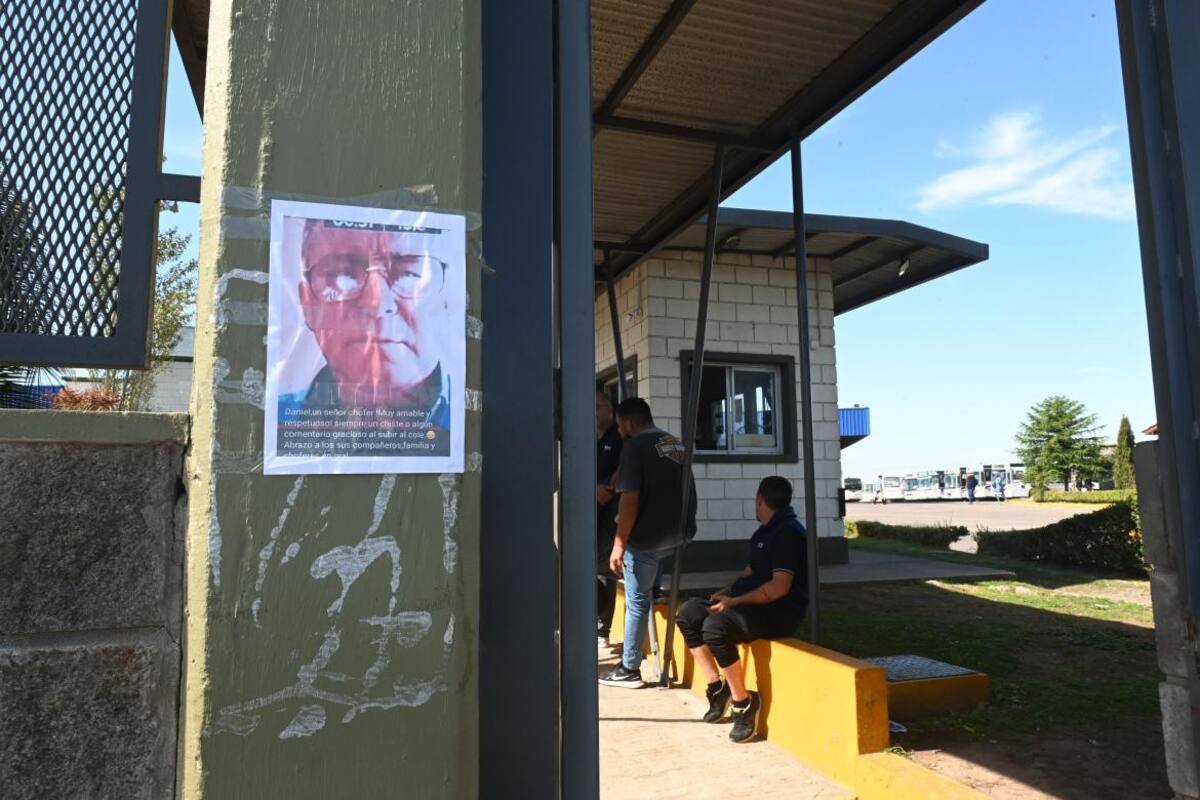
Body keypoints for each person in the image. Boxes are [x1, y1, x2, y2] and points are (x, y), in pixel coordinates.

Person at [278, 219, 452, 456]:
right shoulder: (276, 425)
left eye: (409, 274)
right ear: (307, 305)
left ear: (446, 300)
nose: (377, 304)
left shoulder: (470, 423)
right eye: (342, 275)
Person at [675, 476, 807, 743]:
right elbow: (750, 572)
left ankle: (744, 702)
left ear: (760, 499)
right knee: (689, 613)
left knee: (715, 627)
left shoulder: (789, 533)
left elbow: (779, 588)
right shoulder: (764, 532)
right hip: (748, 605)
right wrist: (725, 592)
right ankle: (717, 688)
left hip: (778, 612)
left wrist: (733, 603)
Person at [599, 398, 697, 688]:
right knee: (646, 586)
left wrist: (619, 544)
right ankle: (653, 586)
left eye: (620, 426)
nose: (619, 431)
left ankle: (629, 668)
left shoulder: (634, 447)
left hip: (646, 540)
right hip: (678, 535)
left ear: (629, 423)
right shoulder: (673, 443)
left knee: (636, 601)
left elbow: (629, 501)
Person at [595, 391, 623, 647]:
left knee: (604, 566)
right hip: (589, 510)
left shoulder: (620, 436)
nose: (593, 412)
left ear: (609, 410)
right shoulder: (588, 436)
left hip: (613, 511)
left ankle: (603, 627)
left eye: (597, 406)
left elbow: (624, 469)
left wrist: (608, 489)